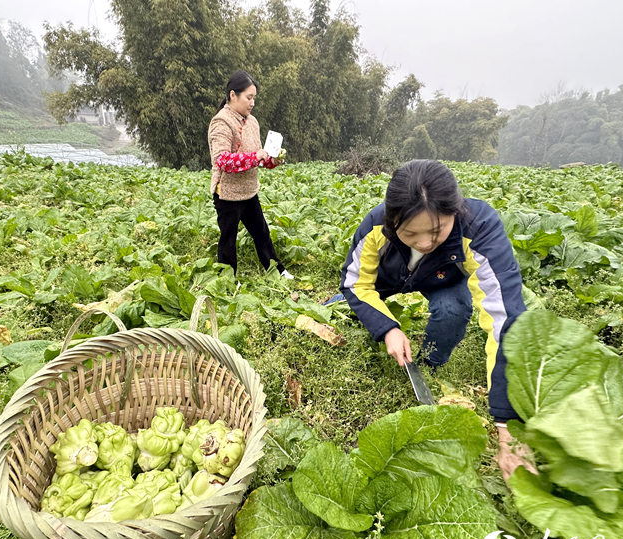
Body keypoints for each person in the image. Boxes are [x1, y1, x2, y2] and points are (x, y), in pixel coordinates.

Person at [337, 159, 535, 480]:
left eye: (436, 231)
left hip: (443, 278)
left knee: (454, 310)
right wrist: (388, 329)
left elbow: (505, 318)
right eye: (410, 233)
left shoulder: (479, 227)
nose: (425, 243)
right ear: (392, 221)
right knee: (346, 303)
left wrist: (509, 427)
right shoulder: (375, 225)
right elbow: (355, 282)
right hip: (391, 277)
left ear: (455, 211)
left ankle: (431, 362)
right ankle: (351, 310)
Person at [208, 70, 293, 279]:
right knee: (228, 240)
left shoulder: (252, 122)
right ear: (233, 95)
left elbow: (259, 157)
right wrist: (256, 156)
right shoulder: (221, 122)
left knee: (262, 233)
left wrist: (273, 160)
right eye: (249, 97)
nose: (252, 103)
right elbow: (222, 160)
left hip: (249, 191)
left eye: (254, 98)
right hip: (228, 194)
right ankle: (228, 280)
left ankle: (277, 271)